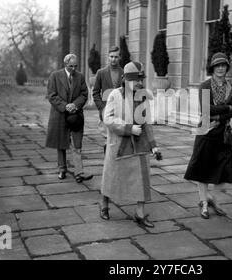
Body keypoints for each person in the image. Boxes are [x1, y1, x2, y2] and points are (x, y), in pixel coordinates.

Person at [100, 61, 159, 228]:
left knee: (142, 178)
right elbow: (108, 119)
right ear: (125, 79)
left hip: (139, 144)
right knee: (112, 177)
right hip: (119, 144)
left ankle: (139, 214)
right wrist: (129, 128)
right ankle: (104, 204)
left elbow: (147, 122)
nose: (139, 83)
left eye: (140, 79)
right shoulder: (114, 95)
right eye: (135, 80)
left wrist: (153, 145)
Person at [184, 52, 232, 219]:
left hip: (223, 134)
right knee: (203, 168)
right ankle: (204, 203)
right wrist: (227, 108)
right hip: (206, 133)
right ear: (213, 68)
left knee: (224, 170)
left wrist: (221, 114)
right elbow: (206, 110)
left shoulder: (231, 88)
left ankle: (213, 198)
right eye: (218, 66)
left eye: (223, 65)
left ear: (227, 68)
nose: (221, 68)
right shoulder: (205, 86)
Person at [45, 53, 93, 183]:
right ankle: (62, 169)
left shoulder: (80, 77)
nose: (73, 69)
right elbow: (51, 95)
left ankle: (79, 172)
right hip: (59, 114)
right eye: (71, 66)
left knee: (77, 143)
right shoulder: (55, 76)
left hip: (76, 115)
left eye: (75, 66)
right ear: (65, 64)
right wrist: (65, 106)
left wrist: (75, 105)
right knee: (61, 143)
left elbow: (84, 94)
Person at [92, 46, 124, 149]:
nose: (113, 59)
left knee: (119, 141)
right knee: (108, 140)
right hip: (106, 110)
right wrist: (102, 107)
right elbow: (95, 92)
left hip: (120, 111)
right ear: (108, 57)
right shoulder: (101, 73)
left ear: (119, 57)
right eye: (111, 56)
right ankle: (108, 162)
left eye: (116, 57)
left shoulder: (124, 73)